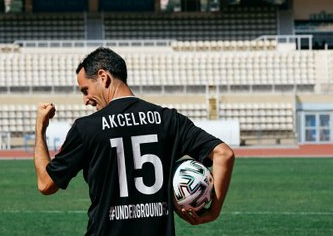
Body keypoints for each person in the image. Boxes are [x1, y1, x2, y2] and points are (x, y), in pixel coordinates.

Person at [34, 47, 235, 236]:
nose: (85, 100)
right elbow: (223, 154)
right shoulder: (168, 120)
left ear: (103, 77)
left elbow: (45, 184)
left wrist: (40, 128)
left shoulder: (86, 128)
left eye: (85, 90)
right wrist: (213, 211)